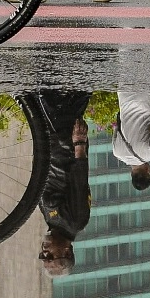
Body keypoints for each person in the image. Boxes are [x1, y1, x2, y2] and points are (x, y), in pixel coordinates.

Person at [36, 91, 93, 277]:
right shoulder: (76, 222)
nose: (45, 252)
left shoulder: (51, 221)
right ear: (67, 252)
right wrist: (79, 144)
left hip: (49, 142)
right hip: (65, 143)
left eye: (43, 256)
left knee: (69, 88)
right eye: (50, 256)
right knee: (46, 87)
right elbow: (79, 182)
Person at [111, 88, 150, 192]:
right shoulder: (117, 152)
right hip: (125, 94)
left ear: (148, 171)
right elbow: (117, 124)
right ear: (132, 174)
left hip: (148, 97)